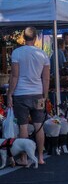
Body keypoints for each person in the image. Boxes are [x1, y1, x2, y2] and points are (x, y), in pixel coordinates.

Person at [6, 27, 49, 166]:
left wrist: (10, 94)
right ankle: (41, 156)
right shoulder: (43, 54)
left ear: (23, 38)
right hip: (37, 92)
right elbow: (46, 78)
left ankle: (24, 158)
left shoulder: (17, 53)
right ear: (36, 37)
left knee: (23, 127)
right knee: (38, 125)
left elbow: (14, 75)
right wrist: (45, 95)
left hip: (21, 93)